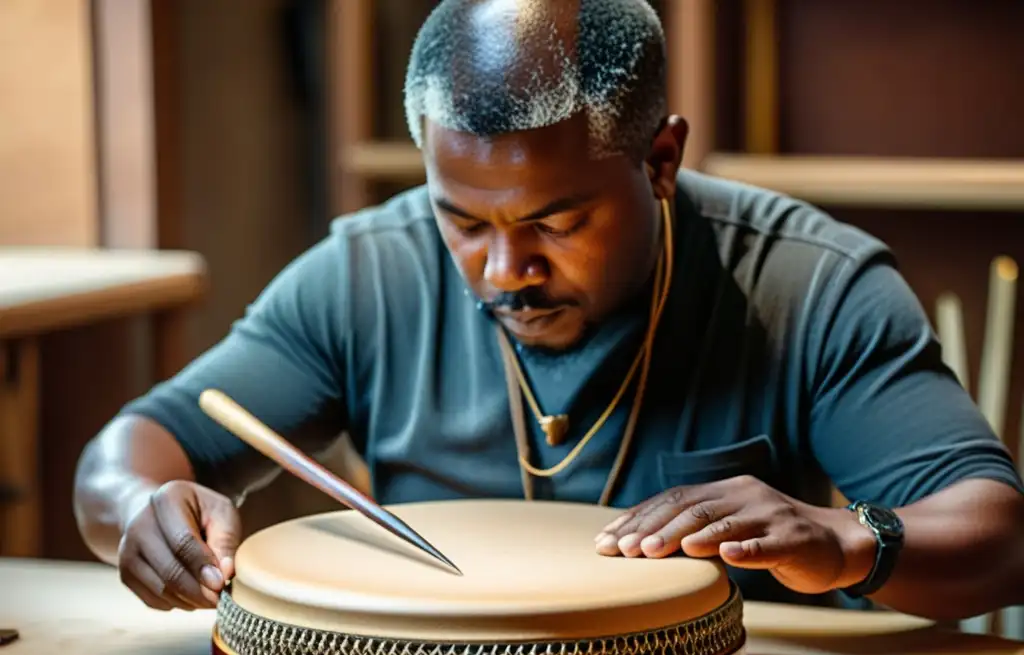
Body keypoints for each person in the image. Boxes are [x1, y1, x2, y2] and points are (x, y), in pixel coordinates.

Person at [74, 0, 1024, 621]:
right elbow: (137, 447)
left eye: (556, 221)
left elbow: (999, 532)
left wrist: (852, 539)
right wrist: (138, 511)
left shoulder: (809, 284)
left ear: (661, 160)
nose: (503, 268)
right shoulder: (370, 271)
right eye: (463, 220)